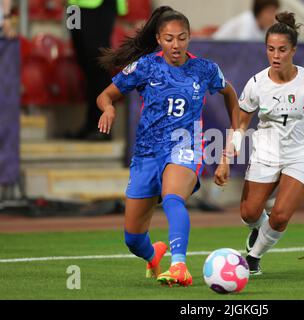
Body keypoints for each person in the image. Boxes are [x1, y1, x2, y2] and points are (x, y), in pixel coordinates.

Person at [96, 6, 241, 287]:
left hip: (184, 146)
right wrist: (108, 108)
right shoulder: (145, 66)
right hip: (147, 153)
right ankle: (153, 256)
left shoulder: (205, 69)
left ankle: (179, 266)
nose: (176, 45)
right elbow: (106, 95)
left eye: (182, 38)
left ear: (189, 38)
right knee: (133, 239)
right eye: (169, 38)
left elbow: (230, 93)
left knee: (173, 197)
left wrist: (233, 140)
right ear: (160, 40)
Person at [215, 12, 304, 275]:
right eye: (270, 49)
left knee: (280, 215)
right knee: (249, 213)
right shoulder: (257, 84)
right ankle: (260, 231)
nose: (275, 55)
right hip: (266, 151)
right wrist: (226, 159)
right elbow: (241, 123)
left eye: (282, 50)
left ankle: (253, 259)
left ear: (293, 50)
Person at [66, 0, 126, 140]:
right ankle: (90, 124)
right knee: (84, 62)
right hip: (73, 7)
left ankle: (103, 125)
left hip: (98, 5)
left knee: (98, 62)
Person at [212, 0, 279, 41]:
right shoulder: (246, 21)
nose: (273, 17)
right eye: (270, 12)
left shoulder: (264, 27)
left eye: (275, 12)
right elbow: (244, 50)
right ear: (259, 12)